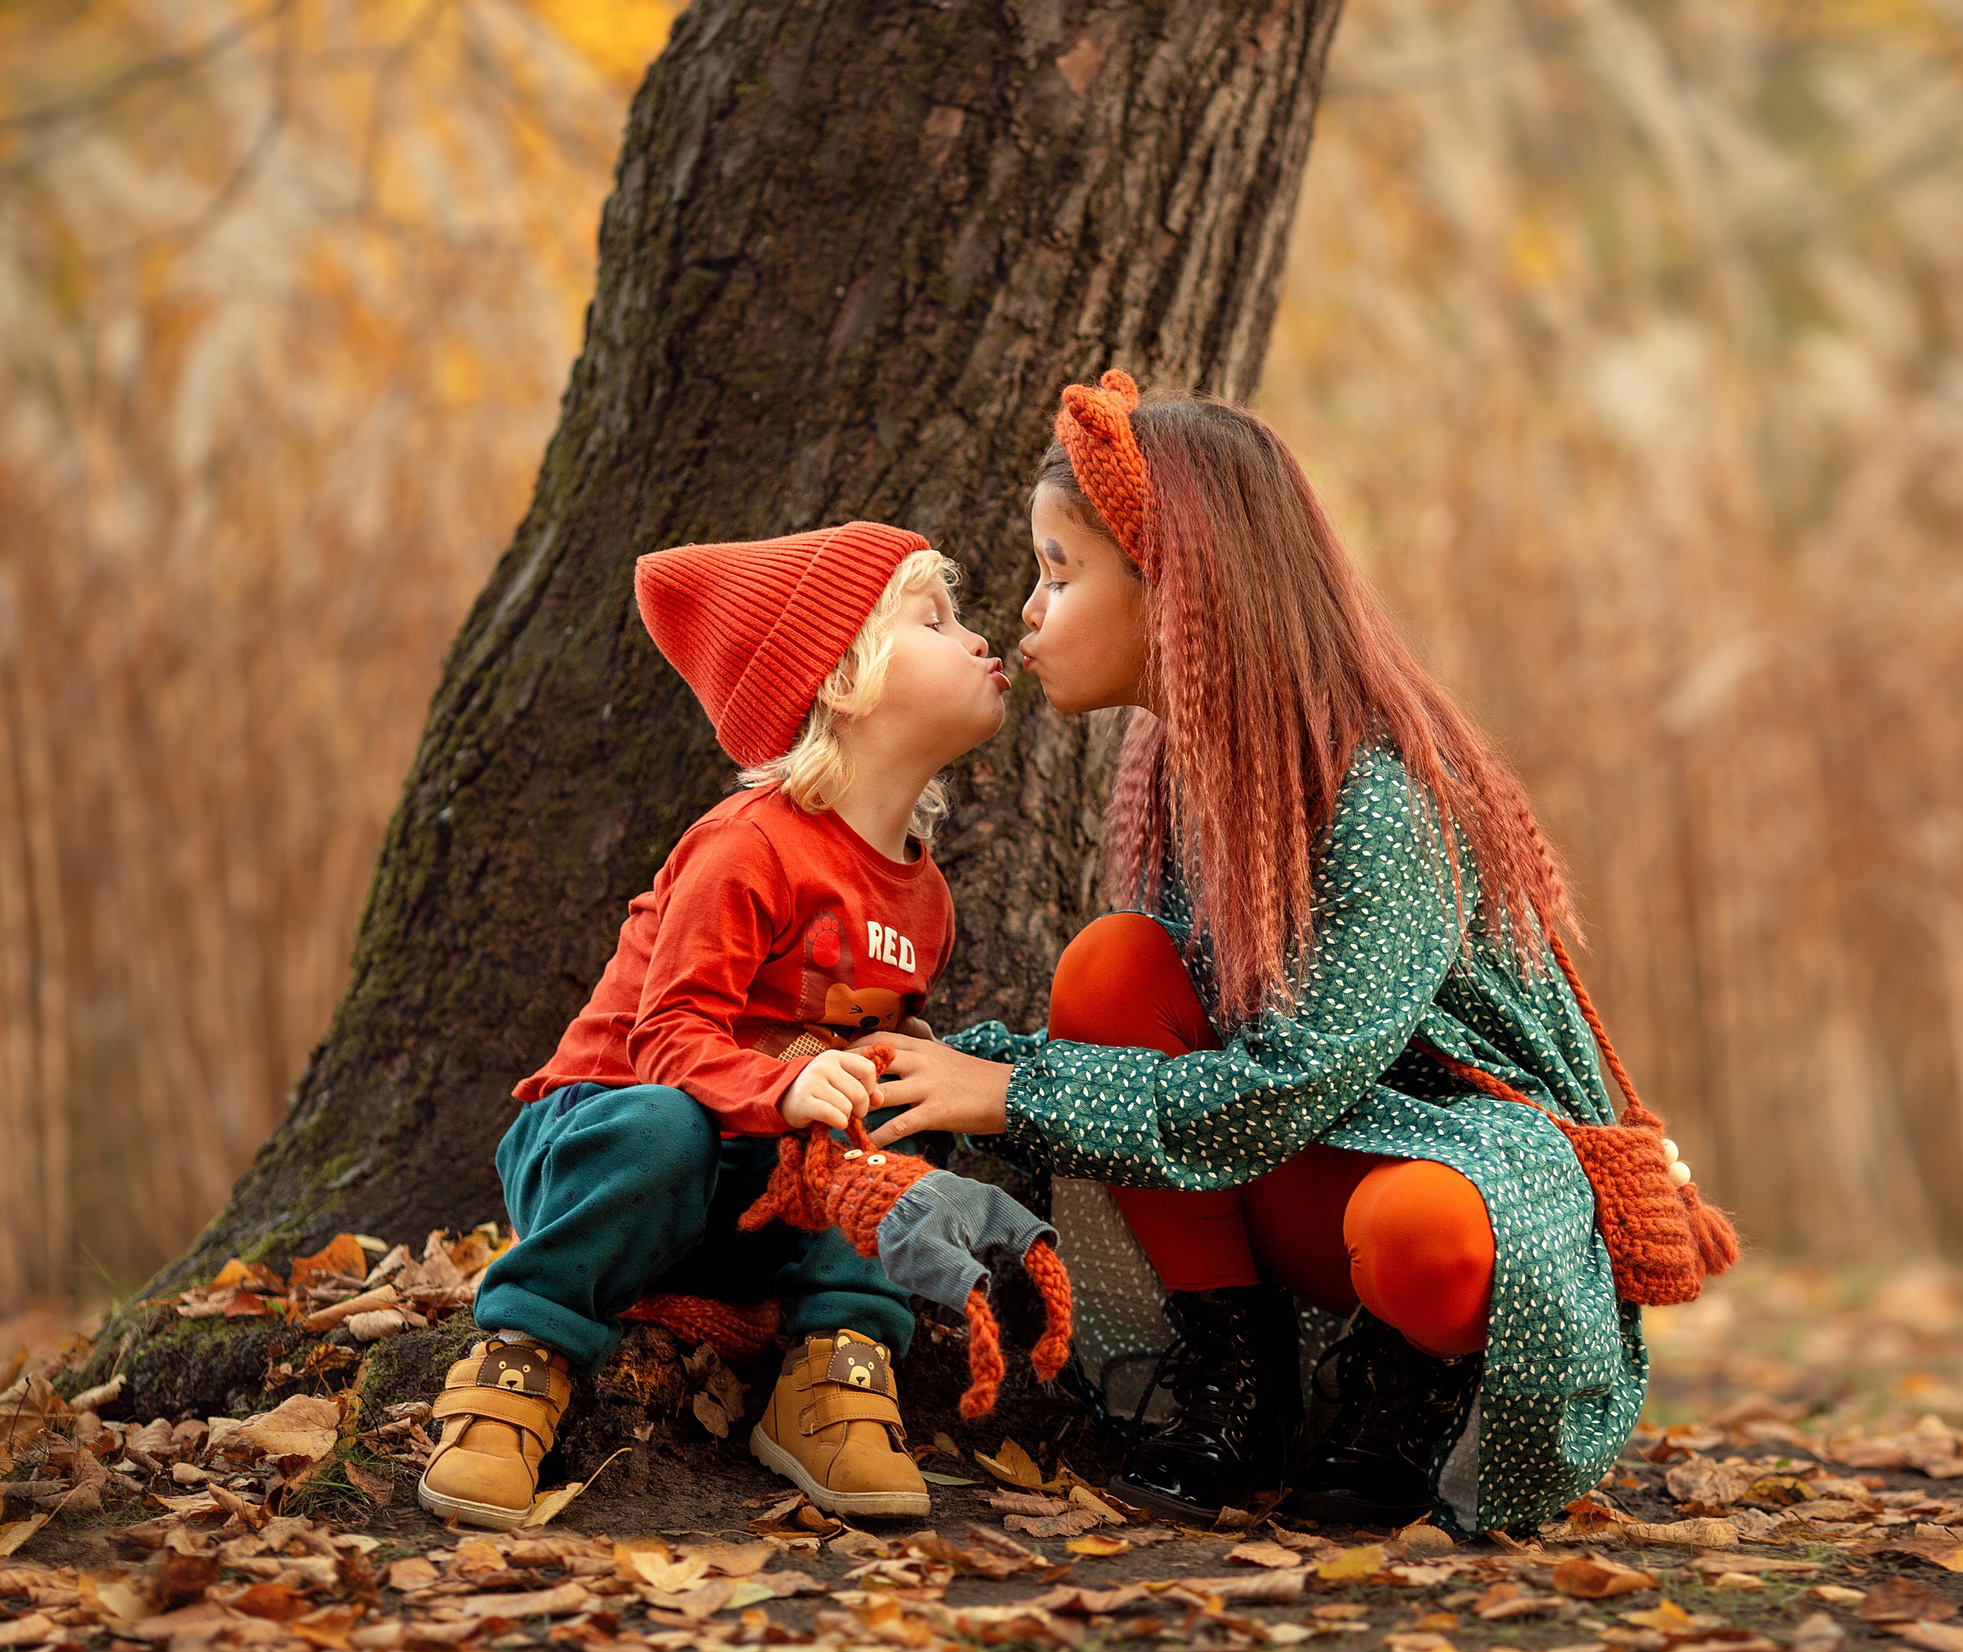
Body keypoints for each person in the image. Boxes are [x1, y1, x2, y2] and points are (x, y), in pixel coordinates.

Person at [863, 372, 1729, 1536]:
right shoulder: (1194, 776)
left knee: (1423, 1234)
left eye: (1059, 574)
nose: (1027, 610)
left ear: (1178, 590)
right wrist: (932, 1064)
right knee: (1112, 969)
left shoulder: (1381, 794)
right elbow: (1194, 1050)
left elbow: (1284, 1087)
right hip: (1299, 1166)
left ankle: (1410, 1398)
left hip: (1457, 1182)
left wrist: (1013, 1093)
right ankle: (1237, 1391)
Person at [418, 521, 1012, 1530]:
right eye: (935, 618)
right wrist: (781, 1084)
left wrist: (848, 1091)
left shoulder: (927, 902)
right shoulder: (750, 847)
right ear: (843, 680)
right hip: (607, 1149)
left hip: (748, 1192)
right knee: (667, 1126)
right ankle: (520, 1357)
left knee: (893, 1114)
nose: (974, 637)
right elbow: (667, 1039)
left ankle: (833, 1373)